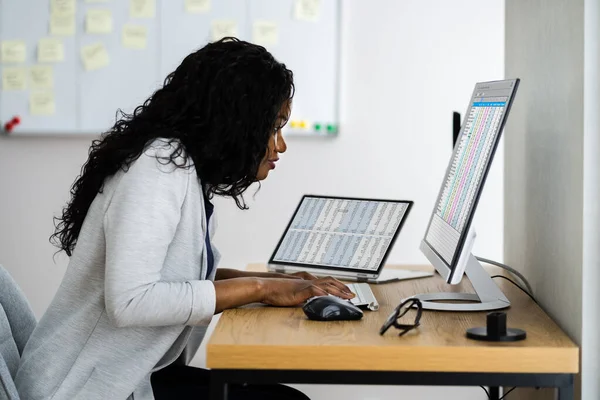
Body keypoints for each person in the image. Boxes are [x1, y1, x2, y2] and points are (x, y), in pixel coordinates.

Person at [14, 38, 354, 400]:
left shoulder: (182, 169)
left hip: (133, 378)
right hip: (80, 390)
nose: (279, 145)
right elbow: (130, 301)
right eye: (273, 128)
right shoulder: (156, 170)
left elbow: (185, 280)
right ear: (237, 121)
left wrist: (277, 282)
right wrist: (262, 289)